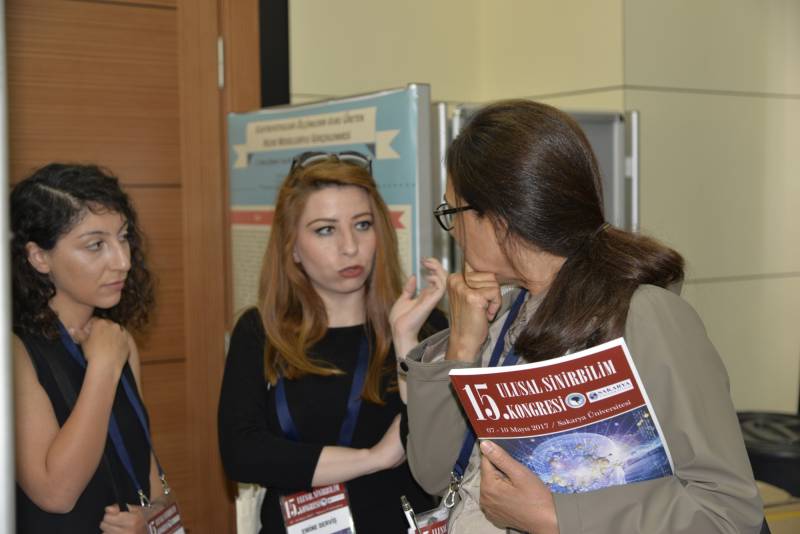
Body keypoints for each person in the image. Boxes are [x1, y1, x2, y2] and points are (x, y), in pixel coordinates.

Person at [402, 100, 764, 534]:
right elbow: (435, 476)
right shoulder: (500, 314)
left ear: (500, 217)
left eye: (453, 213)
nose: (454, 233)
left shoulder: (645, 315)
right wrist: (461, 346)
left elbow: (726, 511)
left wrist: (556, 518)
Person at [218, 151, 447, 533]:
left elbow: (438, 449)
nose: (349, 246)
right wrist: (374, 458)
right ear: (292, 246)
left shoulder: (423, 325)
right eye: (325, 229)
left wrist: (406, 340)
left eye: (362, 225)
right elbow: (243, 454)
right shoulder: (261, 331)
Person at [11, 163, 166, 533]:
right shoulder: (14, 352)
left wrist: (149, 520)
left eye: (123, 238)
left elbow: (153, 481)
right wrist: (103, 367)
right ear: (39, 257)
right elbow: (56, 493)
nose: (123, 261)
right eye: (96, 245)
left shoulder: (119, 339)